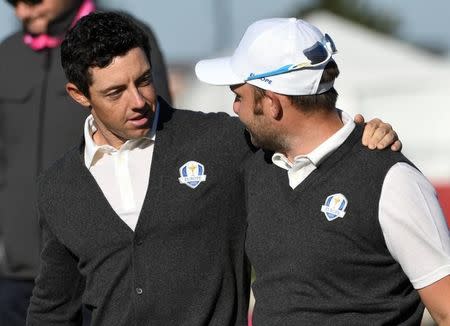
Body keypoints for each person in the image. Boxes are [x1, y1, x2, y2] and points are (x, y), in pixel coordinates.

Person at [27, 12, 400, 326]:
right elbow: (54, 307)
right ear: (79, 95)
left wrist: (362, 139)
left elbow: (307, 143)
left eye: (144, 80)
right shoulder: (59, 186)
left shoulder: (224, 140)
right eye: (115, 92)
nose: (139, 100)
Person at [195, 18, 450, 325]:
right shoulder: (255, 163)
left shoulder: (392, 179)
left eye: (239, 96)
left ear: (273, 104)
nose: (235, 109)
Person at [0, 1, 170, 325]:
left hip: (98, 273)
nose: (22, 12)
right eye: (13, 3)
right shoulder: (5, 56)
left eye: (32, 0)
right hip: (16, 277)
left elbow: (158, 139)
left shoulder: (125, 40)